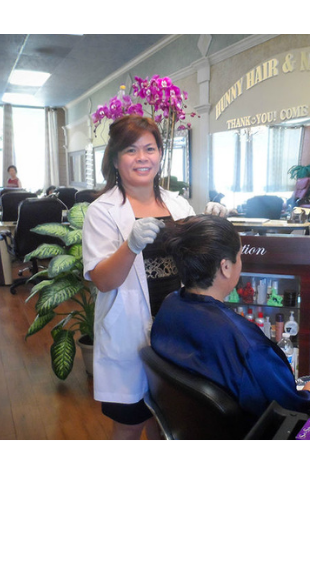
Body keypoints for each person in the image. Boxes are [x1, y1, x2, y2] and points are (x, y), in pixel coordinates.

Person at [151, 215, 310, 422]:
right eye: (239, 257)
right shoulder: (248, 345)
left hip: (197, 422)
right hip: (257, 428)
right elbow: (290, 408)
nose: (240, 263)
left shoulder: (170, 306)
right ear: (226, 267)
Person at [82, 114, 196, 440]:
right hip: (128, 333)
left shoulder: (178, 205)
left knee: (167, 424)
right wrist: (131, 244)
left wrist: (212, 228)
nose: (142, 157)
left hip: (174, 332)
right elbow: (103, 280)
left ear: (161, 154)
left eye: (150, 148)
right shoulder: (103, 211)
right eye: (131, 150)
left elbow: (195, 264)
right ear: (116, 160)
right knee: (130, 425)